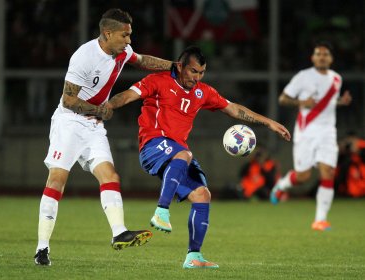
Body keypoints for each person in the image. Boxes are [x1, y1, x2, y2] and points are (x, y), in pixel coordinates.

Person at [106, 46, 291, 268]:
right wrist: (106, 107)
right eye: (193, 71)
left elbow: (233, 109)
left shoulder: (203, 92)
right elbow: (128, 95)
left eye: (201, 72)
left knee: (203, 195)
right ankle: (161, 210)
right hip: (153, 145)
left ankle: (194, 257)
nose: (197, 77)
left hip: (177, 154)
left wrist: (269, 122)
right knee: (184, 154)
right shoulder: (157, 80)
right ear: (180, 66)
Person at [34, 8, 175, 266]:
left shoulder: (121, 52)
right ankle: (42, 248)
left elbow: (143, 60)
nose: (129, 41)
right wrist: (99, 109)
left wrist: (175, 67)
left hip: (94, 126)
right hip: (70, 123)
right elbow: (68, 100)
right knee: (57, 180)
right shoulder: (84, 57)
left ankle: (119, 232)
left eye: (130, 35)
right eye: (125, 35)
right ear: (107, 33)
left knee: (110, 176)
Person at [270, 41, 352, 231]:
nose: (322, 57)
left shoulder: (336, 79)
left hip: (327, 132)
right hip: (306, 132)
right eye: (318, 54)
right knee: (303, 176)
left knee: (328, 172)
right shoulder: (303, 76)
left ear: (331, 58)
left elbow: (328, 102)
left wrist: (341, 102)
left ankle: (320, 220)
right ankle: (281, 185)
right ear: (313, 57)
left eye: (325, 54)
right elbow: (282, 98)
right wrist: (301, 101)